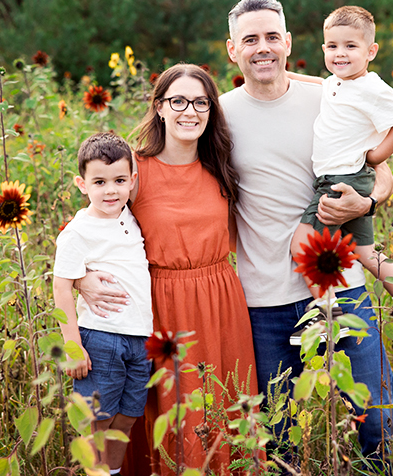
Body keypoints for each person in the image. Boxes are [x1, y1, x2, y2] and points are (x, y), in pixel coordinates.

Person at [220, 0, 393, 473]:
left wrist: (368, 202)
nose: (263, 47)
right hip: (265, 303)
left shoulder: (333, 95)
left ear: (288, 42)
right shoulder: (216, 116)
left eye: (272, 37)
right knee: (279, 439)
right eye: (251, 39)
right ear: (232, 49)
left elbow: (382, 174)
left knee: (378, 425)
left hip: (343, 291)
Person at [77, 64, 259, 476]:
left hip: (219, 304)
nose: (189, 111)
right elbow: (85, 230)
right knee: (170, 410)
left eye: (200, 102)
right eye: (178, 101)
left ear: (212, 109)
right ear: (159, 106)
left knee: (223, 402)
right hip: (157, 305)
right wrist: (84, 280)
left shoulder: (222, 167)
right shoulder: (135, 171)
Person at [286, 5, 393, 351]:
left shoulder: (371, 88)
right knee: (363, 250)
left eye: (350, 46)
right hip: (347, 178)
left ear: (371, 51)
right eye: (332, 46)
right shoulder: (338, 82)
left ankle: (327, 316)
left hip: (340, 179)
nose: (340, 54)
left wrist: (377, 155)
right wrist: (285, 76)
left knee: (303, 245)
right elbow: (322, 83)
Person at [52, 132, 153, 474]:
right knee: (97, 423)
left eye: (119, 181)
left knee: (126, 421)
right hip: (100, 337)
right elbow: (61, 287)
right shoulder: (78, 232)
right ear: (82, 184)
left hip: (138, 338)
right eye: (100, 182)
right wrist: (72, 345)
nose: (111, 190)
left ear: (132, 181)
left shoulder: (131, 217)